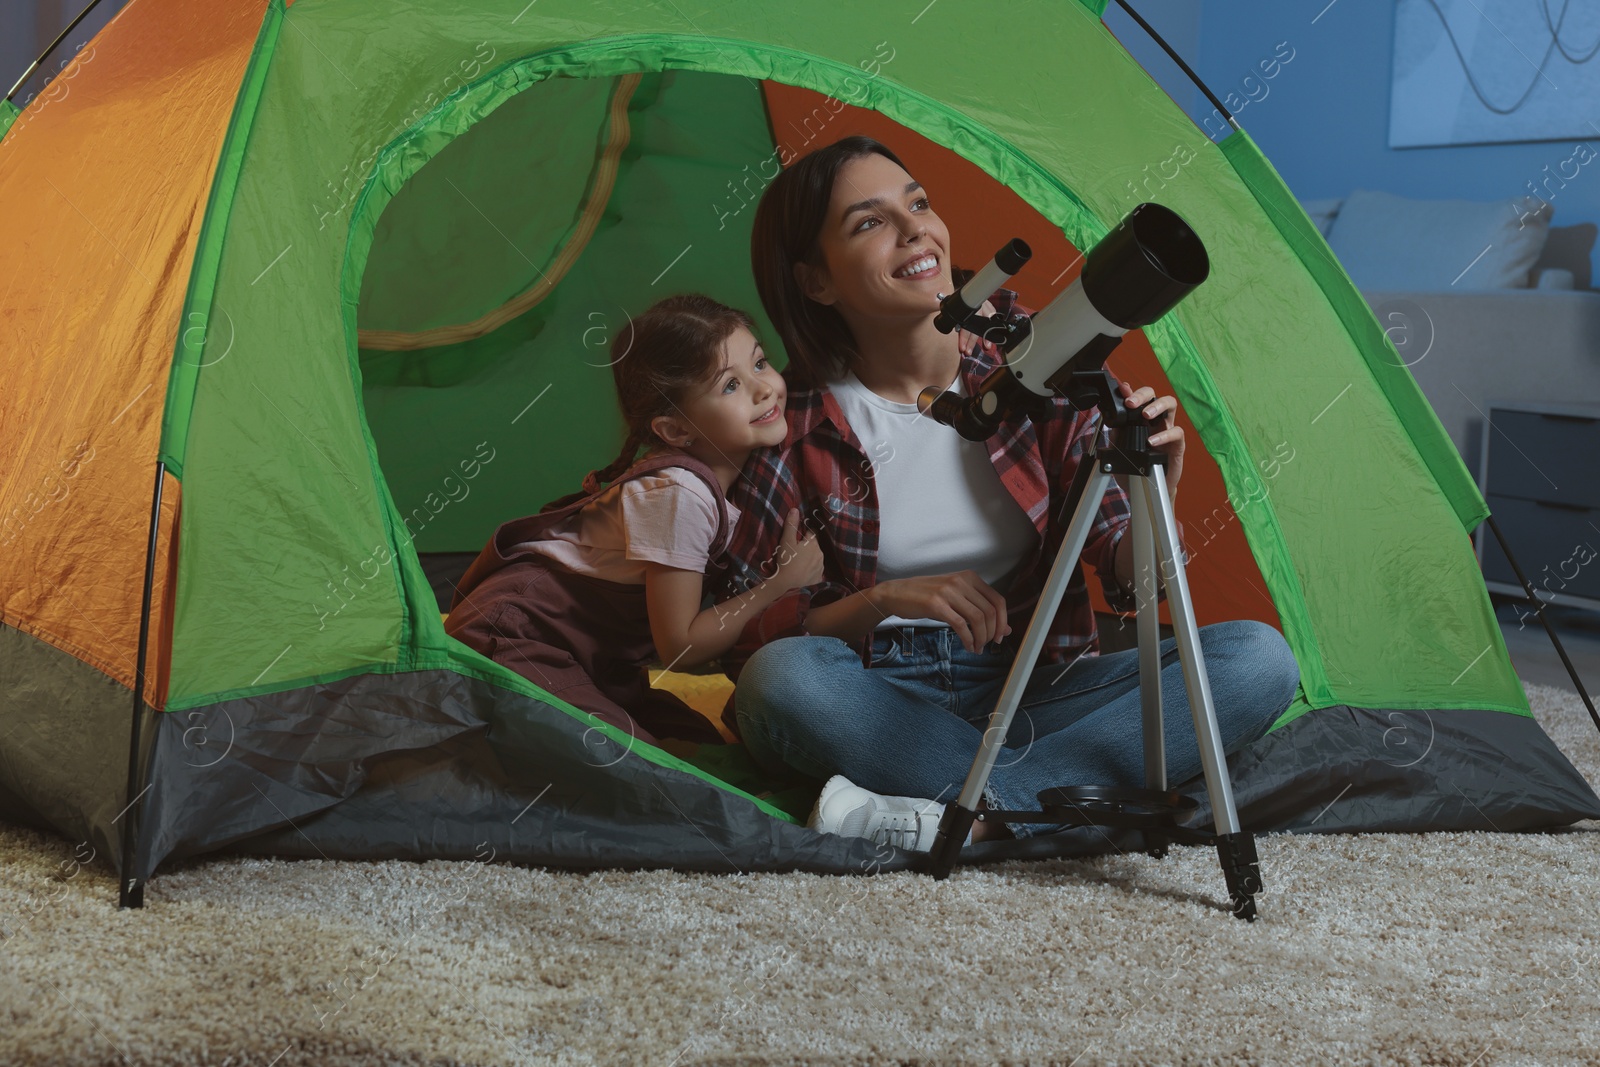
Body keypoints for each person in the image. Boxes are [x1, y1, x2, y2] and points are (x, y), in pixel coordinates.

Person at [708, 135, 1301, 850]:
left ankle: (980, 817)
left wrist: (1157, 492)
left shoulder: (1041, 359)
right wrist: (885, 600)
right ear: (816, 282)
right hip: (874, 696)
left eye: (918, 203)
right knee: (781, 679)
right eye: (869, 222)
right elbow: (741, 634)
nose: (914, 229)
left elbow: (1137, 591)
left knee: (1258, 659)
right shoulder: (792, 420)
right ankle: (1040, 810)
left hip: (1025, 690)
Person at [446, 294, 823, 754]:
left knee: (703, 750)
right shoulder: (679, 494)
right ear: (676, 431)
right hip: (515, 638)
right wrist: (780, 584)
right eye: (729, 386)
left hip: (597, 660)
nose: (764, 388)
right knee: (633, 768)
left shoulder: (721, 477)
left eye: (760, 362)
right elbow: (680, 647)